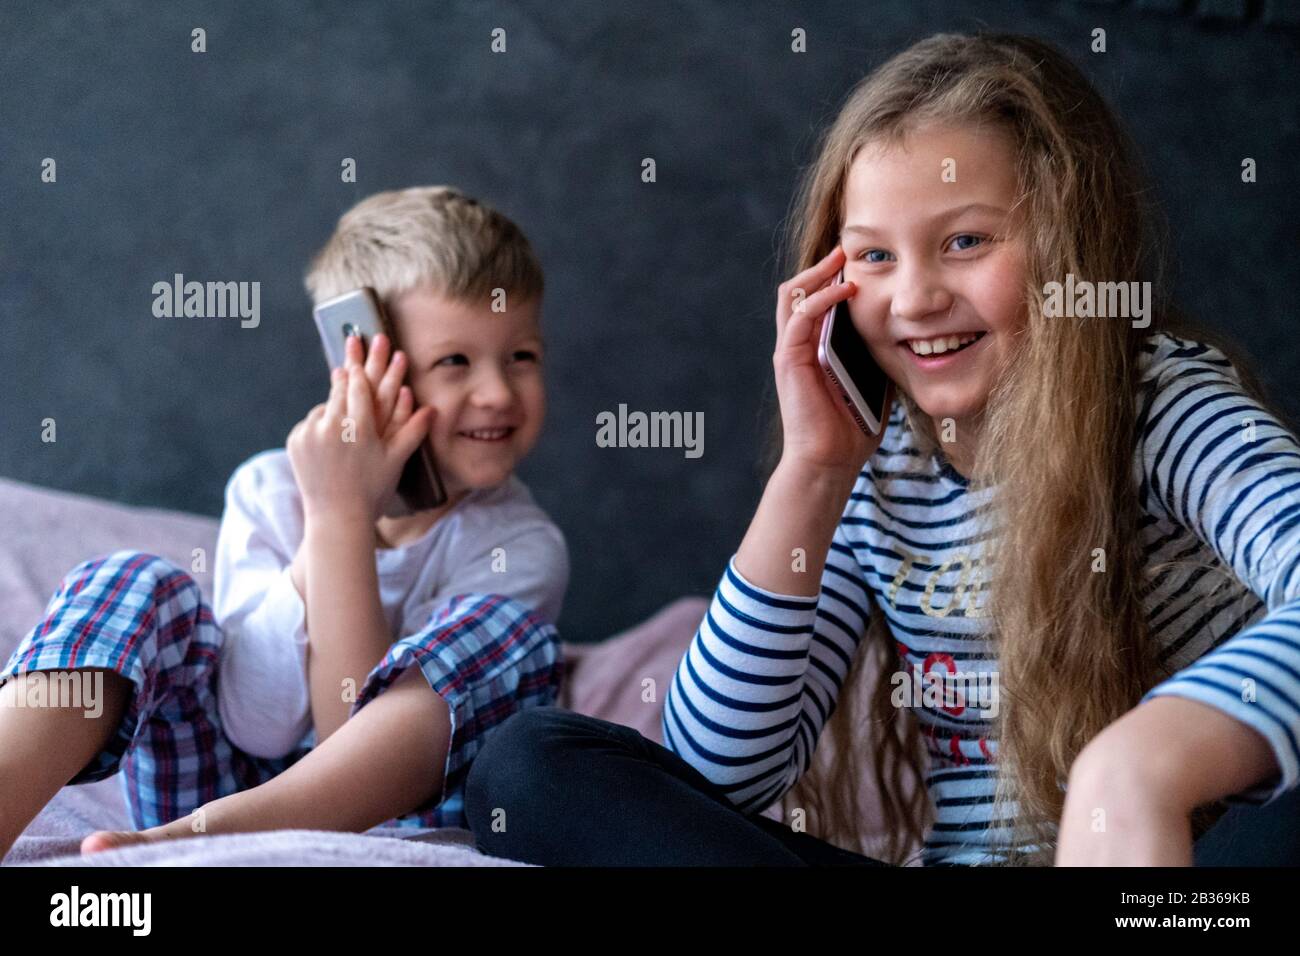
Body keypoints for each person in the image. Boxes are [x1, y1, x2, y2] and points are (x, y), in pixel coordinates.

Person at [464, 32, 1300, 867]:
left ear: (1066, 241)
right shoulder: (878, 470)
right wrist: (815, 473)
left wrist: (1136, 767)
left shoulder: (1160, 405)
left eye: (966, 242)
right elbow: (719, 772)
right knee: (530, 766)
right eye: (873, 256)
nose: (916, 298)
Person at [0, 185, 569, 859]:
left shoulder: (521, 546)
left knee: (513, 638)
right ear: (359, 364)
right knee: (130, 582)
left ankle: (174, 847)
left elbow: (346, 736)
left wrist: (343, 518)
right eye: (456, 362)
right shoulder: (272, 489)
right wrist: (334, 514)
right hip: (211, 780)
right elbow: (256, 722)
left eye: (521, 356)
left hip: (383, 810)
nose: (499, 393)